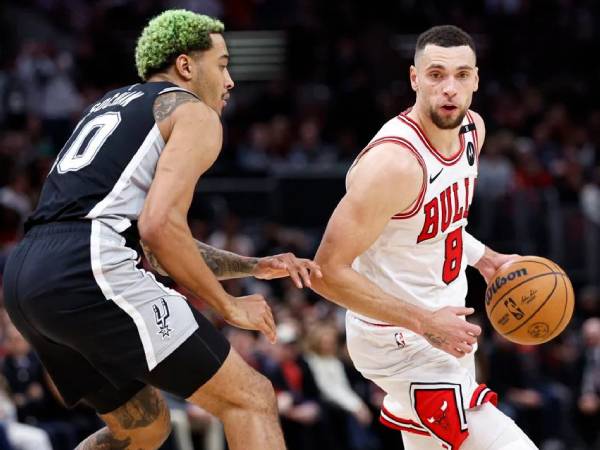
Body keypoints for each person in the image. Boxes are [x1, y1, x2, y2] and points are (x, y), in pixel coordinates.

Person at [2, 10, 321, 450]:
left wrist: (252, 265)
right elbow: (158, 227)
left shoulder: (112, 103)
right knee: (251, 398)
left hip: (27, 274)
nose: (230, 81)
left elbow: (145, 241)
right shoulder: (193, 112)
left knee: (143, 427)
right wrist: (226, 305)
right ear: (187, 66)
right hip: (88, 265)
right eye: (223, 64)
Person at [311, 25, 537, 450]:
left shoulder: (473, 131)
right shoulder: (393, 164)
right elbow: (325, 273)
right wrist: (424, 324)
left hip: (444, 326)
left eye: (460, 75)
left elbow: (436, 229)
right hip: (398, 339)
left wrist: (485, 258)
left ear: (475, 79)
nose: (449, 88)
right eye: (435, 75)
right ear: (414, 79)